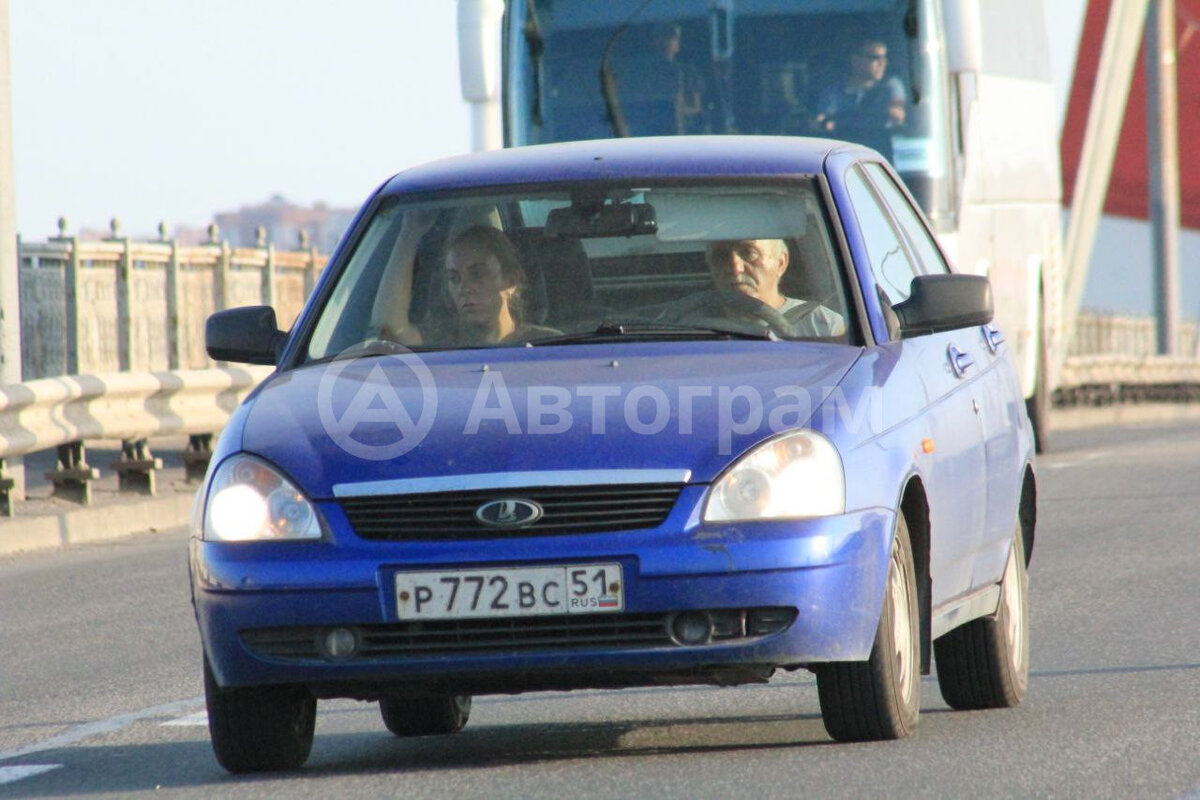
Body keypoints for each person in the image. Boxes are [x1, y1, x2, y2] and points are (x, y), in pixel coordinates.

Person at [373, 218, 559, 347]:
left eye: (477, 274)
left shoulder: (549, 344)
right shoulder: (438, 343)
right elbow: (390, 330)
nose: (464, 288)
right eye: (454, 278)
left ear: (511, 281)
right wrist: (408, 235)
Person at [656, 238, 845, 338]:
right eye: (721, 256)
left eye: (749, 252)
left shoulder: (824, 326)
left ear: (781, 263)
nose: (735, 267)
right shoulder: (684, 328)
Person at [813, 38, 906, 161]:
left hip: (879, 152)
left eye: (884, 58)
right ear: (856, 60)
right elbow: (822, 120)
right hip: (844, 151)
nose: (882, 63)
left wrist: (894, 112)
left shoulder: (891, 86)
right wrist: (819, 123)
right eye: (875, 58)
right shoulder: (835, 91)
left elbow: (898, 114)